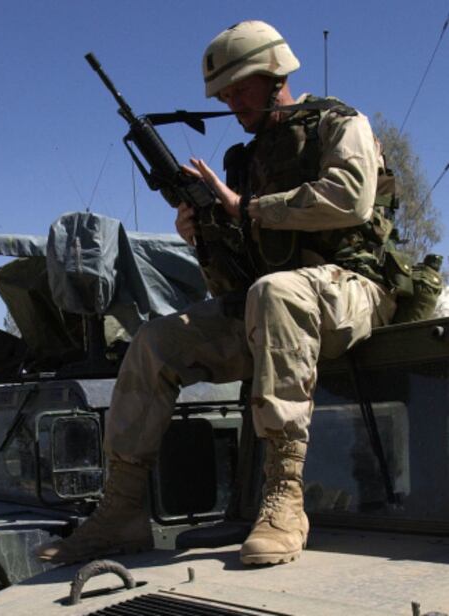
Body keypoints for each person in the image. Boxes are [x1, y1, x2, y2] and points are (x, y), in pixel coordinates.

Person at [37, 20, 397, 566]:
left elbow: (350, 200)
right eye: (221, 94)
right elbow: (235, 286)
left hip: (354, 289)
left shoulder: (339, 124)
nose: (230, 101)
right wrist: (203, 235)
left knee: (278, 293)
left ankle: (284, 495)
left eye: (238, 88)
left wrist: (246, 207)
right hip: (276, 308)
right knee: (157, 340)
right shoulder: (244, 161)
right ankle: (123, 511)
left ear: (274, 74)